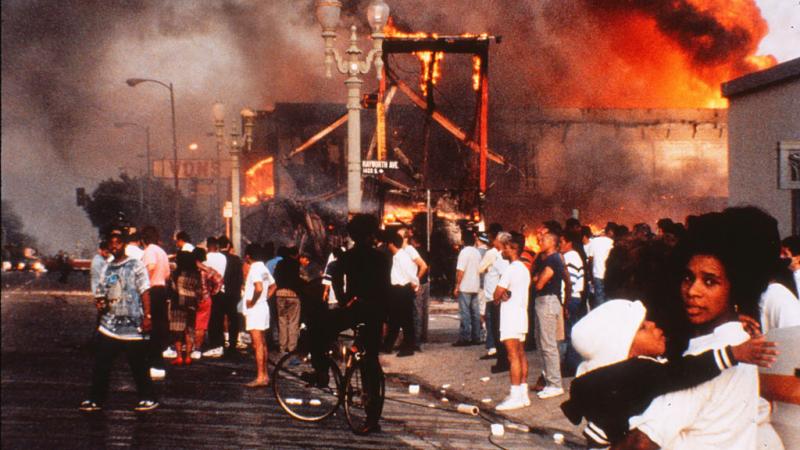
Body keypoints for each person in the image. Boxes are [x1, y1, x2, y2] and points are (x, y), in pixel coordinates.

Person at [617, 209, 779, 449]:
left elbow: (640, 444)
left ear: (736, 286)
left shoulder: (711, 358)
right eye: (687, 278)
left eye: (710, 281)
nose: (693, 291)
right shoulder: (740, 340)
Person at [561, 299, 777, 448]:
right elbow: (684, 371)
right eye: (642, 327)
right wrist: (733, 353)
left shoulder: (616, 375)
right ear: (625, 348)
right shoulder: (638, 373)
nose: (653, 324)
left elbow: (678, 349)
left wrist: (726, 320)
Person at [309, 214, 391, 434]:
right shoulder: (382, 258)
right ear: (371, 235)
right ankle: (372, 418)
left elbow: (334, 276)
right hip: (374, 313)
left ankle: (321, 370)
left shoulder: (348, 257)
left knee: (318, 328)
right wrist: (386, 319)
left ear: (353, 236)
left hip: (353, 310)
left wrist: (344, 298)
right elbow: (386, 290)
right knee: (370, 363)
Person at [80, 232, 158, 412]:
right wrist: (100, 302)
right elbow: (103, 291)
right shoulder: (107, 268)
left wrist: (148, 316)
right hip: (110, 326)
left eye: (118, 242)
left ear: (124, 245)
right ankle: (96, 400)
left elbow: (145, 291)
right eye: (111, 243)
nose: (114, 246)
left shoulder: (135, 265)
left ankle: (148, 398)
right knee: (101, 364)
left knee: (138, 365)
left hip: (132, 327)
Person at [493, 233, 532, 411]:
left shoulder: (510, 269)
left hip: (510, 317)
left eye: (505, 247)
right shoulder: (524, 268)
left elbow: (497, 293)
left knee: (512, 356)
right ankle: (523, 393)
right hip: (521, 315)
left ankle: (515, 395)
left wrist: (499, 296)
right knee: (521, 354)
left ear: (513, 248)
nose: (502, 250)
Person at [531, 226, 566, 399]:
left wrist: (537, 278)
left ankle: (555, 384)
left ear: (553, 242)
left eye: (544, 239)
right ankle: (548, 379)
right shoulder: (545, 259)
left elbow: (539, 283)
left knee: (548, 345)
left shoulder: (553, 259)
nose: (540, 241)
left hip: (548, 302)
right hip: (543, 302)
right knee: (541, 343)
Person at [242, 243, 277, 387]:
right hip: (263, 307)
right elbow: (273, 285)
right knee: (262, 343)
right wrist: (265, 298)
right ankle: (265, 375)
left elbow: (259, 287)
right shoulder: (263, 267)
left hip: (255, 309)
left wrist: (253, 301)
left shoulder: (255, 268)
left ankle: (260, 377)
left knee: (257, 345)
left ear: (248, 256)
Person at [140, 225, 170, 381]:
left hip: (152, 290)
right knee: (160, 327)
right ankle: (158, 363)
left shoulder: (149, 251)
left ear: (143, 240)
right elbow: (167, 274)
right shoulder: (162, 252)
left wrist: (142, 282)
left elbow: (150, 267)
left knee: (151, 327)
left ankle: (154, 363)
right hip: (162, 289)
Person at [384, 230, 418, 357]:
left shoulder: (402, 257)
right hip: (397, 290)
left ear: (392, 244)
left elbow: (411, 271)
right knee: (394, 319)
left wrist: (414, 283)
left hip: (403, 289)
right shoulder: (397, 256)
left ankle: (409, 347)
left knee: (406, 320)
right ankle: (388, 344)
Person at [480, 230, 511, 367]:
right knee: (495, 326)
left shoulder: (500, 258)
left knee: (496, 327)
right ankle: (500, 356)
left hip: (495, 298)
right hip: (493, 296)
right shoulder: (498, 256)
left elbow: (504, 278)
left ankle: (501, 358)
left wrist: (500, 295)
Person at [169, 251, 202, 366]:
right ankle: (188, 356)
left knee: (177, 330)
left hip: (177, 302)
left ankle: (179, 357)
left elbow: (172, 288)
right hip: (192, 303)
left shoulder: (176, 273)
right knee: (189, 330)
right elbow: (199, 290)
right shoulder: (196, 274)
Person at [560, 230, 586, 376]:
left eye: (562, 242)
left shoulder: (571, 257)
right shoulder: (571, 256)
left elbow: (570, 282)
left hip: (570, 299)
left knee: (570, 333)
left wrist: (565, 303)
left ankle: (571, 365)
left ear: (569, 243)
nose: (560, 245)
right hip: (572, 298)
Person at [214, 236, 243, 358]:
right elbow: (240, 278)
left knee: (218, 319)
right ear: (228, 246)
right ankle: (232, 345)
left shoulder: (216, 258)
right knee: (233, 320)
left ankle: (219, 344)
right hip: (233, 294)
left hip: (219, 293)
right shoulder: (236, 259)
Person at [400, 226, 429, 346]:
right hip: (407, 285)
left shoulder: (410, 250)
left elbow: (423, 266)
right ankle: (412, 339)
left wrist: (415, 280)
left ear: (405, 238)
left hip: (414, 285)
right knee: (412, 312)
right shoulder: (402, 251)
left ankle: (415, 340)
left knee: (416, 312)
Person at [191, 247, 222, 360]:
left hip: (188, 298)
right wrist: (213, 292)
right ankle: (197, 349)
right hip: (204, 298)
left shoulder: (187, 268)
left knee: (189, 324)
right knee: (201, 325)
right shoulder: (206, 270)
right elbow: (219, 280)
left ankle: (188, 346)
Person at [453, 229, 482, 346]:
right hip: (475, 285)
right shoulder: (477, 252)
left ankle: (464, 338)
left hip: (465, 286)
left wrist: (457, 285)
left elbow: (460, 271)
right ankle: (476, 337)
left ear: (463, 240)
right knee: (475, 313)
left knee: (465, 313)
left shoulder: (463, 252)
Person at [273, 246, 304, 354]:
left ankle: (282, 347)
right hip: (293, 295)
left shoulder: (279, 264)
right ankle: (291, 348)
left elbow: (275, 278)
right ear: (296, 254)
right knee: (293, 322)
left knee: (282, 321)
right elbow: (300, 279)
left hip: (280, 294)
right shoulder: (296, 264)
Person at [202, 237, 227, 358]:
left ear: (208, 246)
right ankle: (220, 344)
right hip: (221, 289)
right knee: (219, 318)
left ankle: (214, 345)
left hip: (211, 290)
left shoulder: (207, 258)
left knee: (212, 320)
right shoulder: (223, 257)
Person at [585, 223, 615, 308]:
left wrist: (591, 277)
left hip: (597, 276)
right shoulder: (613, 242)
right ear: (611, 232)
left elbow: (590, 261)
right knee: (609, 302)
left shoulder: (594, 241)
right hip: (609, 276)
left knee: (599, 303)